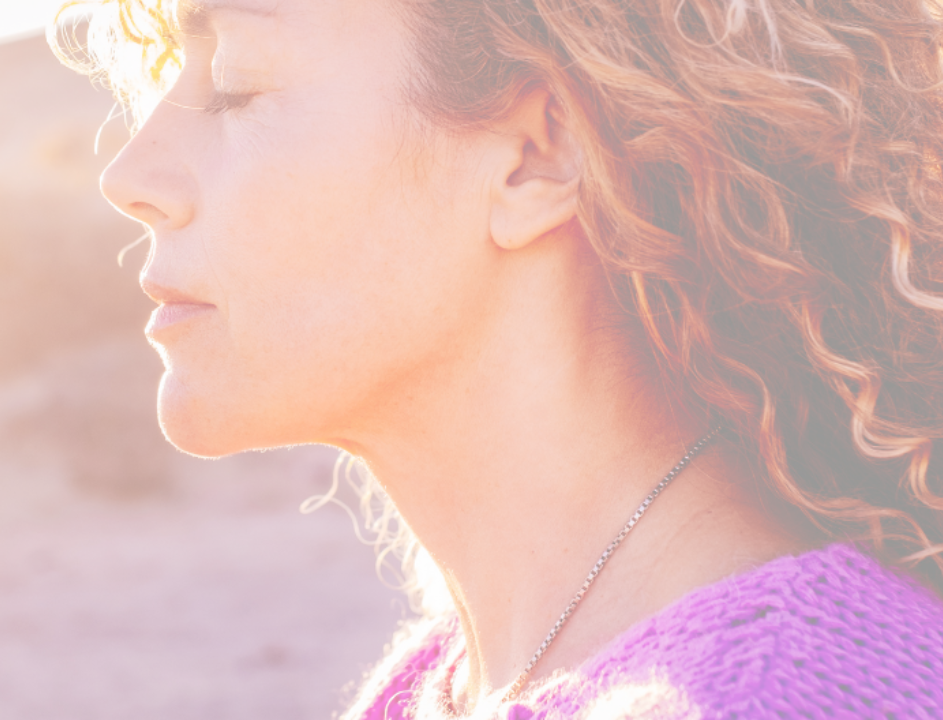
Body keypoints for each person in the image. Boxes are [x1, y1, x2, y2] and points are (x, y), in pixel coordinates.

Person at [52, 0, 943, 716]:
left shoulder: (794, 695)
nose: (129, 174)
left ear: (534, 158)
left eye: (235, 84)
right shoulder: (437, 687)